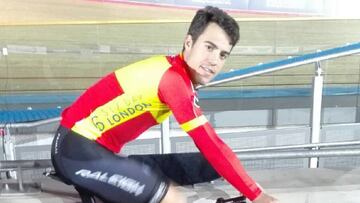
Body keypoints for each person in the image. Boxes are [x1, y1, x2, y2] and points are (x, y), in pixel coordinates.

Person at [51, 6, 279, 203]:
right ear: (189, 43)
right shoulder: (173, 80)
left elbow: (213, 152)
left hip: (93, 148)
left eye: (222, 55)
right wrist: (256, 193)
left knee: (209, 165)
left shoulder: (177, 73)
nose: (214, 61)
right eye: (209, 48)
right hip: (74, 151)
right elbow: (209, 142)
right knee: (172, 196)